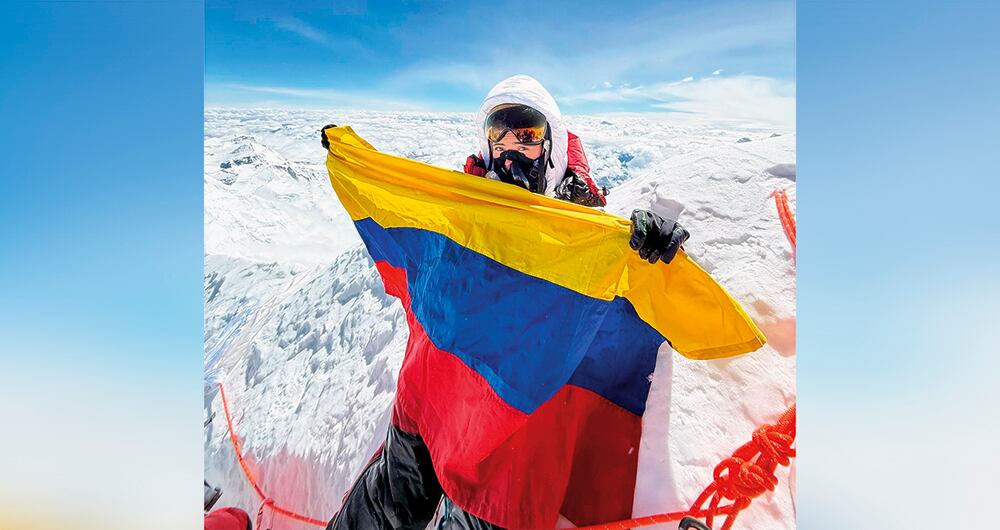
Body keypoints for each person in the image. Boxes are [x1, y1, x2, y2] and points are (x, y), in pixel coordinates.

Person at [321, 75, 692, 530]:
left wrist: (647, 256)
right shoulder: (458, 211)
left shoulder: (582, 230)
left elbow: (604, 301)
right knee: (385, 506)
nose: (511, 148)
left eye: (528, 135)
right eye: (500, 135)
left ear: (551, 147)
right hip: (432, 396)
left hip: (504, 433)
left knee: (479, 512)